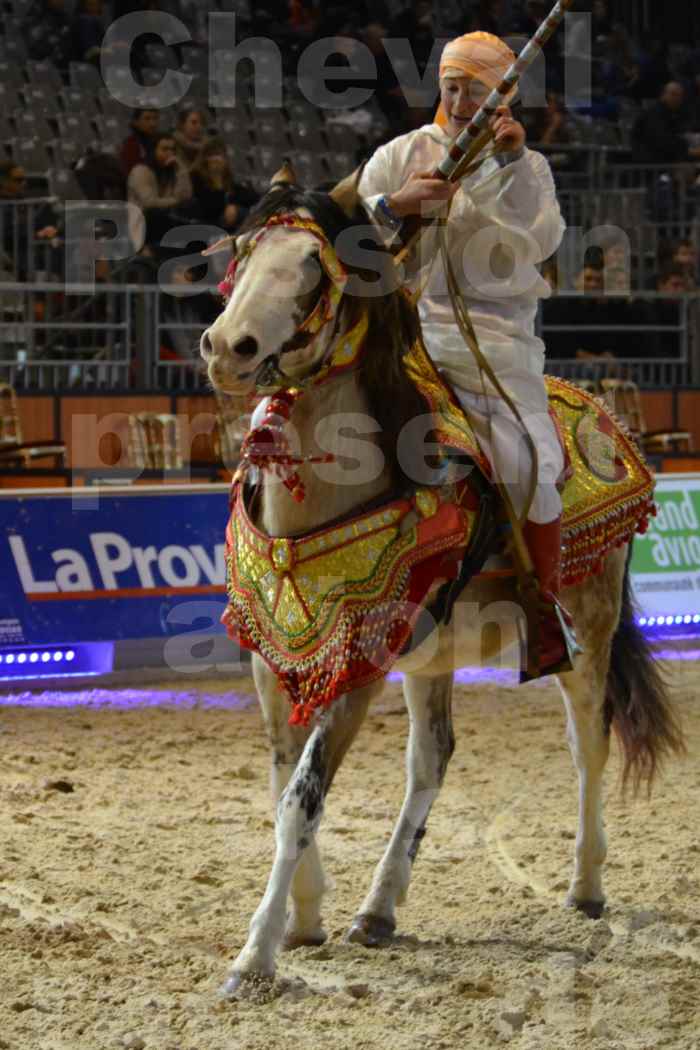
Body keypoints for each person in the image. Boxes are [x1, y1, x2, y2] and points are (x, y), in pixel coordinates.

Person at [359, 31, 577, 677]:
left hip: (497, 345)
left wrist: (503, 174)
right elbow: (344, 230)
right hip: (407, 338)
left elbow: (534, 244)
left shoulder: (529, 167)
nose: (458, 100)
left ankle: (544, 611)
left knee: (532, 459)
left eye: (474, 90)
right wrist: (394, 207)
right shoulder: (403, 154)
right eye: (451, 86)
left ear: (503, 98)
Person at [127, 133, 193, 252]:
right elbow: (149, 202)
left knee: (191, 206)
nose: (170, 153)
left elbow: (186, 196)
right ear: (153, 151)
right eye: (164, 149)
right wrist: (176, 201)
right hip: (142, 223)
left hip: (166, 217)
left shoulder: (171, 171)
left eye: (173, 150)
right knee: (155, 213)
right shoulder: (140, 171)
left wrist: (181, 169)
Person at [190, 138, 258, 231]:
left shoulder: (226, 177)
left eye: (219, 155)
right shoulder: (195, 176)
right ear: (204, 158)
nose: (216, 159)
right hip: (204, 224)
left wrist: (233, 206)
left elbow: (249, 196)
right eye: (212, 155)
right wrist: (216, 177)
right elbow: (210, 208)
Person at [120, 109, 161, 176]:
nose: (152, 123)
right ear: (136, 122)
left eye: (155, 118)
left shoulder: (160, 141)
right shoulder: (131, 144)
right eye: (147, 119)